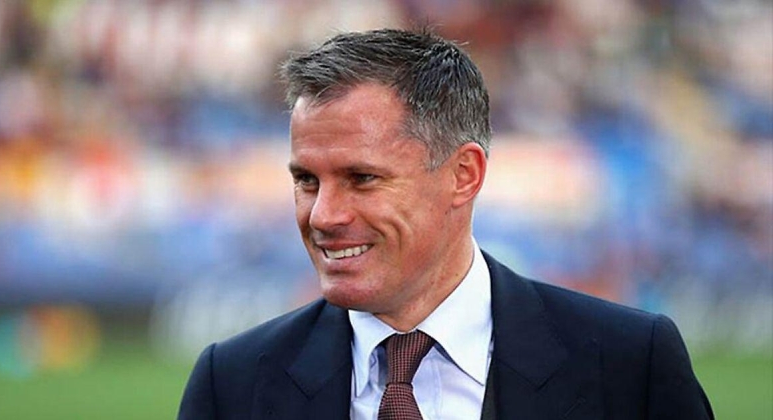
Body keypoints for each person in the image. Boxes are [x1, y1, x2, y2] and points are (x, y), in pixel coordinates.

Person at [178, 28, 713, 420]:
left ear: (463, 175)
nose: (323, 215)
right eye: (307, 181)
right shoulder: (233, 385)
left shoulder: (628, 364)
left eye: (362, 178)